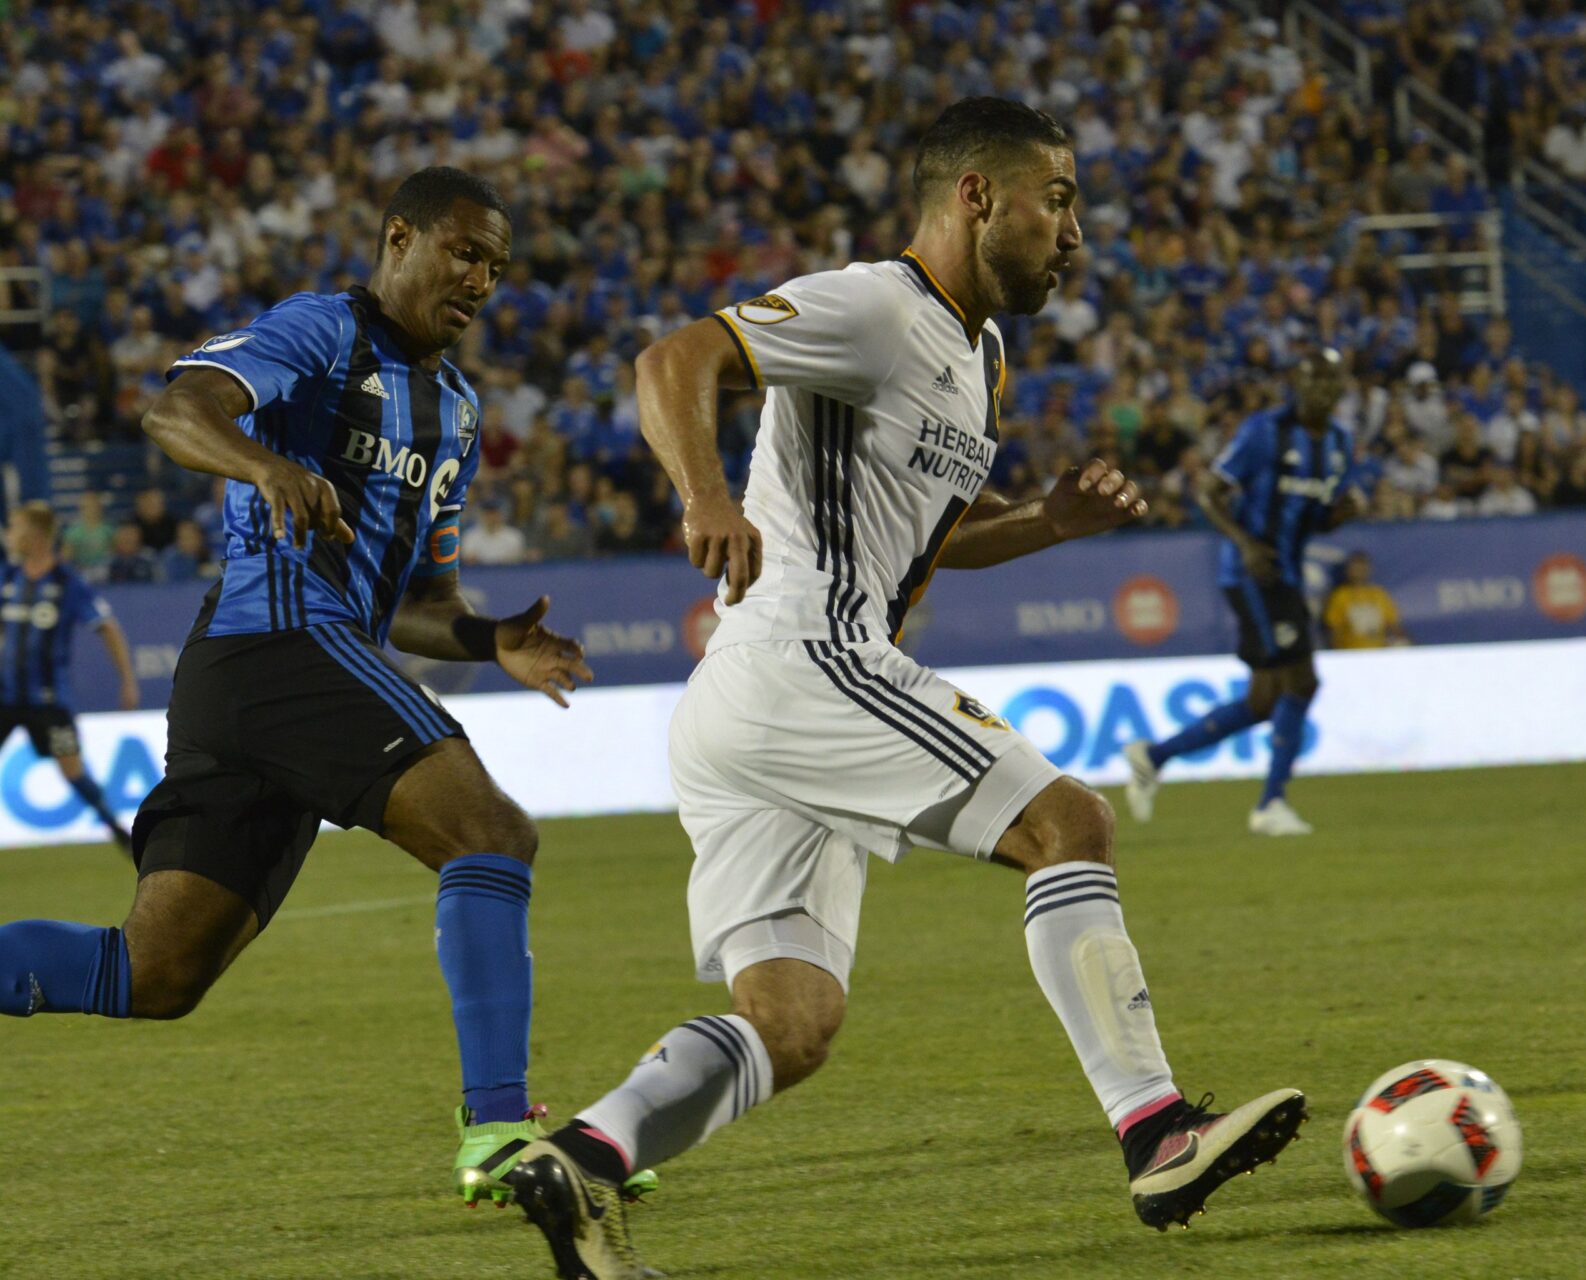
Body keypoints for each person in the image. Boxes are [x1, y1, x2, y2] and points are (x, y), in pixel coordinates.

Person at [502, 102, 1304, 1280]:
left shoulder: (978, 358)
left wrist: (1048, 520)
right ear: (978, 196)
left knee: (793, 1022)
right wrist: (706, 497)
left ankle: (584, 1155)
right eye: (1060, 197)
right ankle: (1156, 1127)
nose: (1074, 228)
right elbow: (676, 358)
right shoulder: (877, 305)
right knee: (1067, 821)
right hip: (801, 653)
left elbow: (928, 537)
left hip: (752, 702)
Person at [0, 168, 621, 1215]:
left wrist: (492, 640)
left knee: (157, 971)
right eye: (464, 252)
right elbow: (176, 411)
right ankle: (497, 1126)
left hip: (279, 670)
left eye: (495, 264)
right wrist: (262, 466)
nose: (481, 278)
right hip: (274, 642)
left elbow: (418, 598)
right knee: (489, 833)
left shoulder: (456, 408)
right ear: (398, 237)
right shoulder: (321, 332)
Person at [1123, 349, 1361, 837]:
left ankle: (1154, 755)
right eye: (1311, 380)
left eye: (1328, 382)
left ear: (1340, 389)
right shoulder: (1263, 430)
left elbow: (1314, 517)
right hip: (1253, 572)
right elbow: (1209, 492)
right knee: (1302, 681)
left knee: (1265, 701)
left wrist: (1339, 515)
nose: (1319, 390)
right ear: (1297, 383)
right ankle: (1270, 804)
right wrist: (1245, 544)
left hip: (1287, 572)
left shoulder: (1339, 442)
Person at [0, 502, 139, 869]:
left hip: (51, 704)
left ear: (35, 534)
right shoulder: (5, 577)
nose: (9, 535)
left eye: (14, 527)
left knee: (72, 769)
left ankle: (117, 831)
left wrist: (126, 680)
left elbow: (108, 628)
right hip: (3, 695)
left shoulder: (69, 584)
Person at [1323, 551, 1406, 650]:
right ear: (1348, 570)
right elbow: (1332, 628)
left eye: (1362, 568)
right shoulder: (1340, 596)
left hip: (1378, 652)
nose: (1359, 572)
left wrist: (1405, 642)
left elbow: (1393, 624)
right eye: (1355, 568)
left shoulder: (1379, 594)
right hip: (1350, 653)